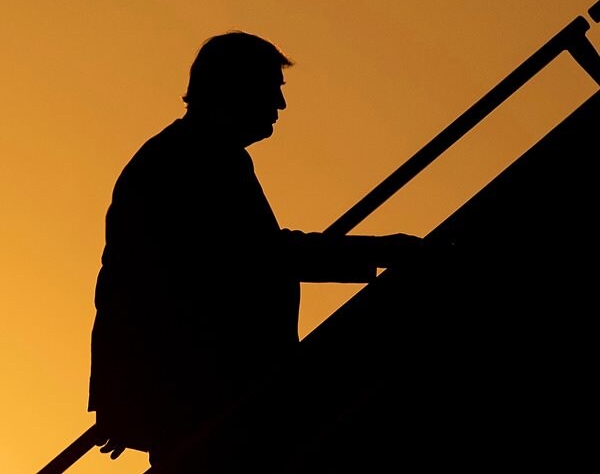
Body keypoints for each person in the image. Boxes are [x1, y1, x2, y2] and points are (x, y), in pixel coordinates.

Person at [88, 30, 423, 471]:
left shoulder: (189, 154)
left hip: (202, 389)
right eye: (271, 90)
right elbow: (257, 255)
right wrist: (381, 250)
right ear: (236, 87)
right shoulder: (193, 158)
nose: (280, 106)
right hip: (213, 390)